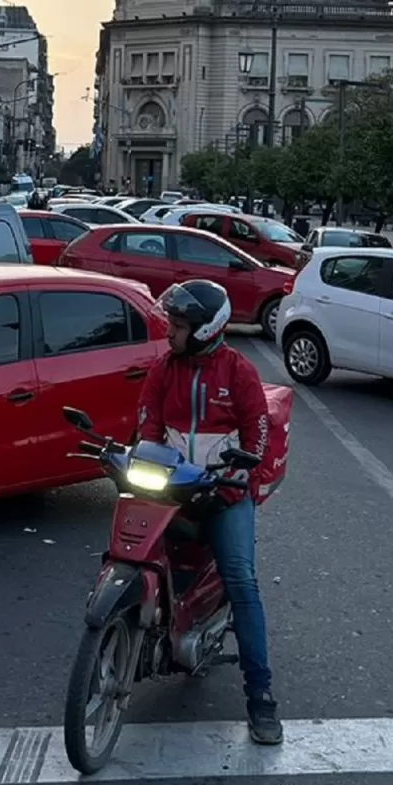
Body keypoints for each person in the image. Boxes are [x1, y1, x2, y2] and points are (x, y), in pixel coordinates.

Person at [136, 279, 283, 746]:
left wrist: (241, 480)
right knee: (133, 556)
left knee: (242, 579)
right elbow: (148, 422)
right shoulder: (163, 369)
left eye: (178, 326)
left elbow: (256, 433)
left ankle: (261, 697)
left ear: (204, 329)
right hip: (172, 487)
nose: (170, 333)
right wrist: (137, 459)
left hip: (224, 492)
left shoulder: (238, 372)